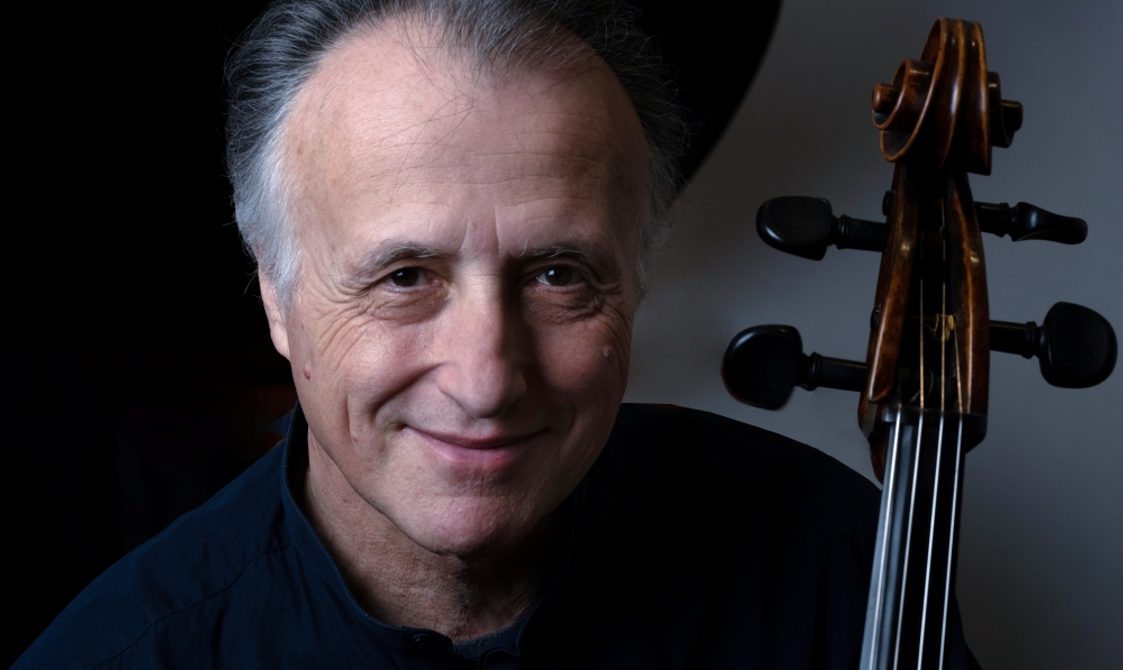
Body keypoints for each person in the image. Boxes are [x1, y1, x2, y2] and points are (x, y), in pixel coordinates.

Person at [16, 1, 976, 668]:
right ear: (276, 294)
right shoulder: (122, 655)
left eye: (558, 275)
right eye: (404, 278)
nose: (485, 381)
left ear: (633, 282)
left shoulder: (834, 563)